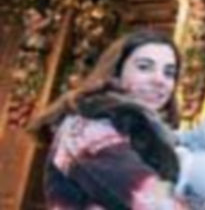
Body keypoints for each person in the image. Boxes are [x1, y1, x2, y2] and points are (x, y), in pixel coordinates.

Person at [28, 30, 186, 209]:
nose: (160, 80)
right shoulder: (86, 128)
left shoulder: (153, 136)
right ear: (115, 73)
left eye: (169, 73)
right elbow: (149, 196)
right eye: (144, 67)